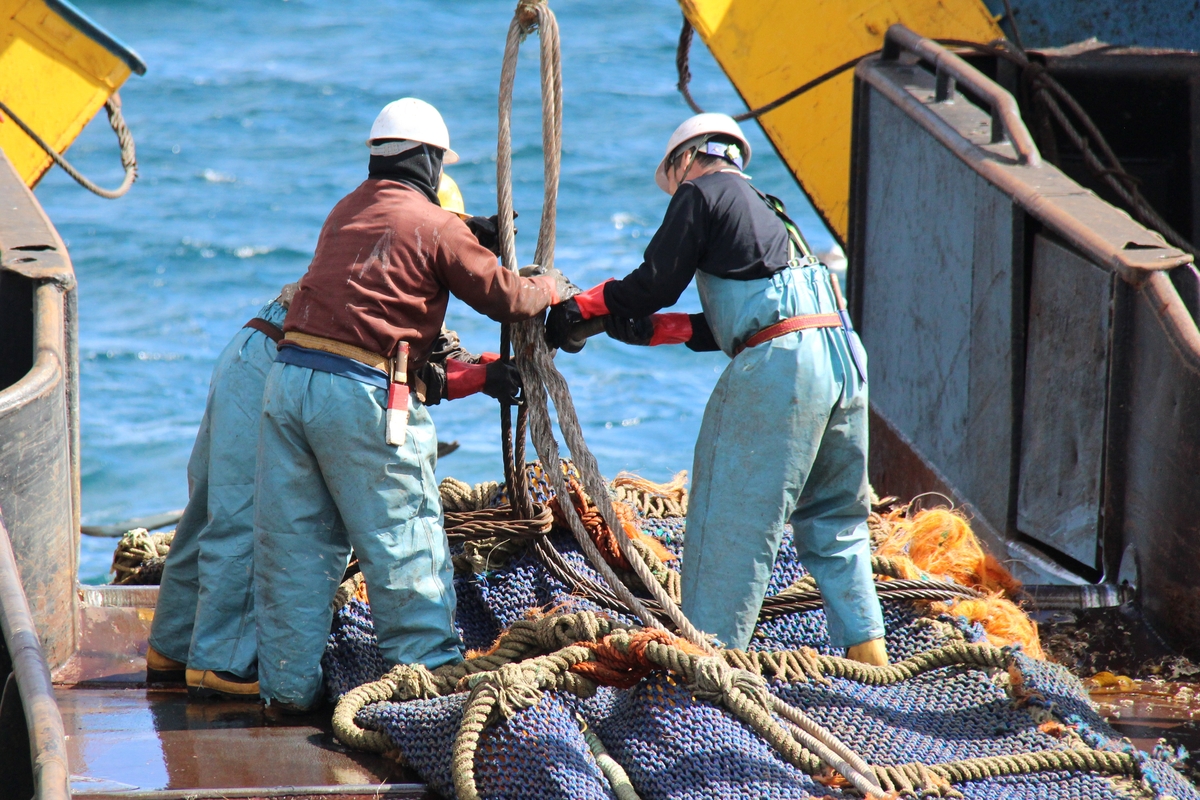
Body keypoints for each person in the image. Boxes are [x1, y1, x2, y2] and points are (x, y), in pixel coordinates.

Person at [253, 97, 576, 711]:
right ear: (430, 162)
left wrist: (467, 232)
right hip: (362, 393)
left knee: (297, 547)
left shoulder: (344, 210)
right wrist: (551, 287)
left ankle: (287, 695)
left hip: (290, 381)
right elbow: (507, 296)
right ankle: (429, 681)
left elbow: (391, 259)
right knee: (404, 534)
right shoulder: (434, 223)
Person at [147, 173, 522, 700]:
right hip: (274, 366)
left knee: (214, 511)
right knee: (245, 521)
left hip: (250, 351)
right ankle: (221, 668)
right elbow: (408, 370)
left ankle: (172, 648)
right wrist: (491, 374)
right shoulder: (408, 275)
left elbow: (438, 361)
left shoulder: (374, 254)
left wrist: (489, 371)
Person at [545, 113, 888, 665]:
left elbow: (653, 282)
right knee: (834, 522)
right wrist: (647, 330)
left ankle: (707, 673)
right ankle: (872, 663)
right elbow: (732, 322)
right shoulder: (769, 211)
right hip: (842, 358)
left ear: (686, 159)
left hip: (783, 366)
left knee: (728, 518)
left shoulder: (701, 192)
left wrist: (580, 308)